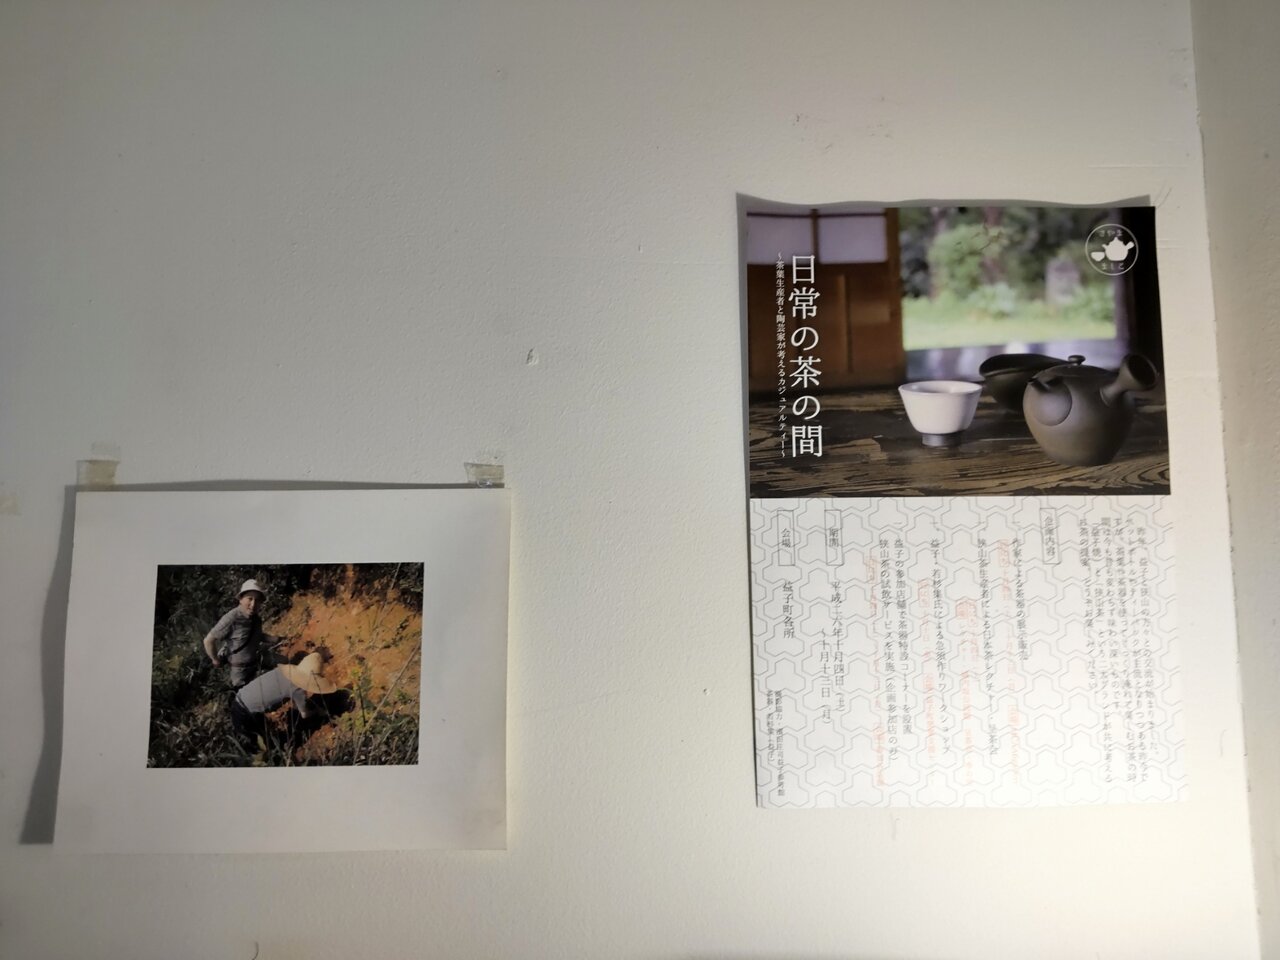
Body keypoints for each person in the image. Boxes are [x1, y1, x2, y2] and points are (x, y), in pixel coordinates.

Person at [228, 652, 340, 757]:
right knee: (260, 746)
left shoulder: (281, 671)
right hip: (245, 713)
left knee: (263, 733)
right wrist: (317, 712)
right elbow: (305, 715)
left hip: (239, 698)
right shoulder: (297, 689)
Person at [202, 579, 270, 688]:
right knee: (246, 694)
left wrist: (276, 639)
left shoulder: (256, 618)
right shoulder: (232, 618)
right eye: (250, 599)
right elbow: (208, 640)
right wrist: (215, 660)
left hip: (256, 661)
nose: (253, 604)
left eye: (257, 600)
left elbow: (256, 636)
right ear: (241, 599)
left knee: (286, 662)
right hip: (240, 671)